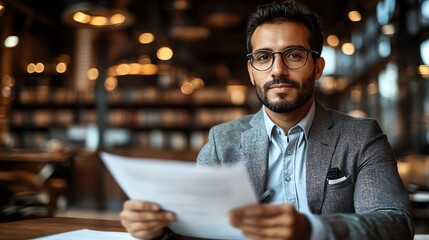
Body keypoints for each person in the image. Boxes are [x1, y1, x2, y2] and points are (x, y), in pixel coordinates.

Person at [119, 1, 414, 239]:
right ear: (251, 71)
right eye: (263, 57)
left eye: (294, 55)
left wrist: (312, 230)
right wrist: (157, 228)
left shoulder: (361, 136)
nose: (277, 70)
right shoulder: (222, 141)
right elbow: (193, 220)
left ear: (317, 66)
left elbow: (395, 223)